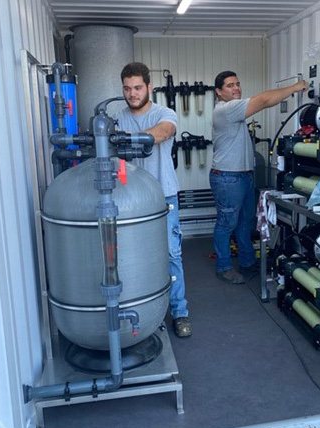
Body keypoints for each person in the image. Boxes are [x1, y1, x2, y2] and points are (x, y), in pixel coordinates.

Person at [210, 71, 307, 284]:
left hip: (243, 176)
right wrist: (294, 87)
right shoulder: (226, 109)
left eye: (237, 83)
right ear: (219, 92)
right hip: (228, 178)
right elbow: (263, 100)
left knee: (246, 222)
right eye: (229, 86)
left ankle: (247, 263)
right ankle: (224, 267)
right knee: (227, 223)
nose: (236, 88)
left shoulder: (233, 109)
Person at [118, 62, 192, 338]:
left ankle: (180, 312)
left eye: (138, 88)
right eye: (127, 89)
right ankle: (147, 313)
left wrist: (125, 139)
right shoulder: (119, 116)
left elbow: (163, 133)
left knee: (172, 254)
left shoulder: (165, 113)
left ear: (149, 86)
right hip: (131, 201)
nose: (132, 94)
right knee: (134, 258)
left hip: (164, 196)